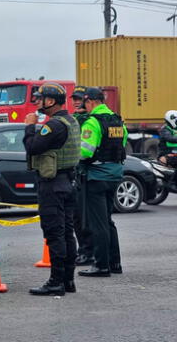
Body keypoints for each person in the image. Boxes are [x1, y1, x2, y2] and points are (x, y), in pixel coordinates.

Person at [23, 82, 81, 296]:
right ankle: (68, 280)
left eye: (41, 98)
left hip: (53, 184)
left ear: (52, 101)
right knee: (67, 232)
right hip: (68, 182)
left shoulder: (54, 125)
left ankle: (56, 281)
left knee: (54, 233)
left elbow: (32, 147)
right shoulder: (71, 120)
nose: (38, 102)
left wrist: (29, 127)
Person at [77, 87, 126, 278]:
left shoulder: (92, 122)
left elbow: (85, 152)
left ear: (91, 102)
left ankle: (101, 265)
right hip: (114, 175)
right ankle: (115, 263)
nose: (85, 107)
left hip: (97, 176)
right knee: (108, 221)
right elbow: (121, 146)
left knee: (98, 224)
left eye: (85, 103)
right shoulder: (117, 120)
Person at [71, 86, 93, 266]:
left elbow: (85, 151)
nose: (76, 102)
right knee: (77, 217)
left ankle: (87, 252)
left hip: (85, 174)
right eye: (74, 99)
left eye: (80, 99)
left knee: (83, 217)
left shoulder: (88, 121)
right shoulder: (76, 119)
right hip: (77, 174)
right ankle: (84, 250)